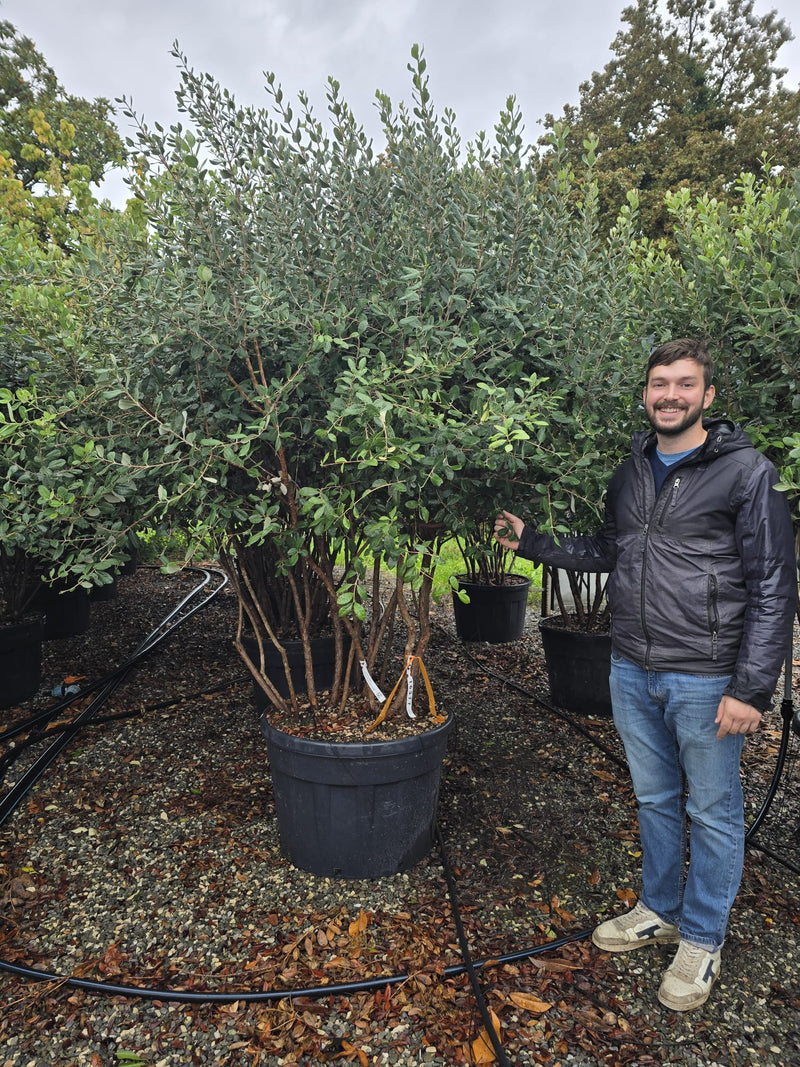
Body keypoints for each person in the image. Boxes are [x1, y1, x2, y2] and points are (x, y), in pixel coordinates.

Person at [494, 338, 797, 1012]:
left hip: (706, 676)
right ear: (645, 393)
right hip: (631, 667)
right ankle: (657, 907)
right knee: (656, 799)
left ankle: (702, 935)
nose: (670, 395)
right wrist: (535, 542)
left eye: (684, 384)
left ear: (708, 396)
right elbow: (612, 547)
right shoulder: (632, 468)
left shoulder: (746, 473)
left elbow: (775, 585)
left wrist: (752, 689)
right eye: (659, 383)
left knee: (713, 810)